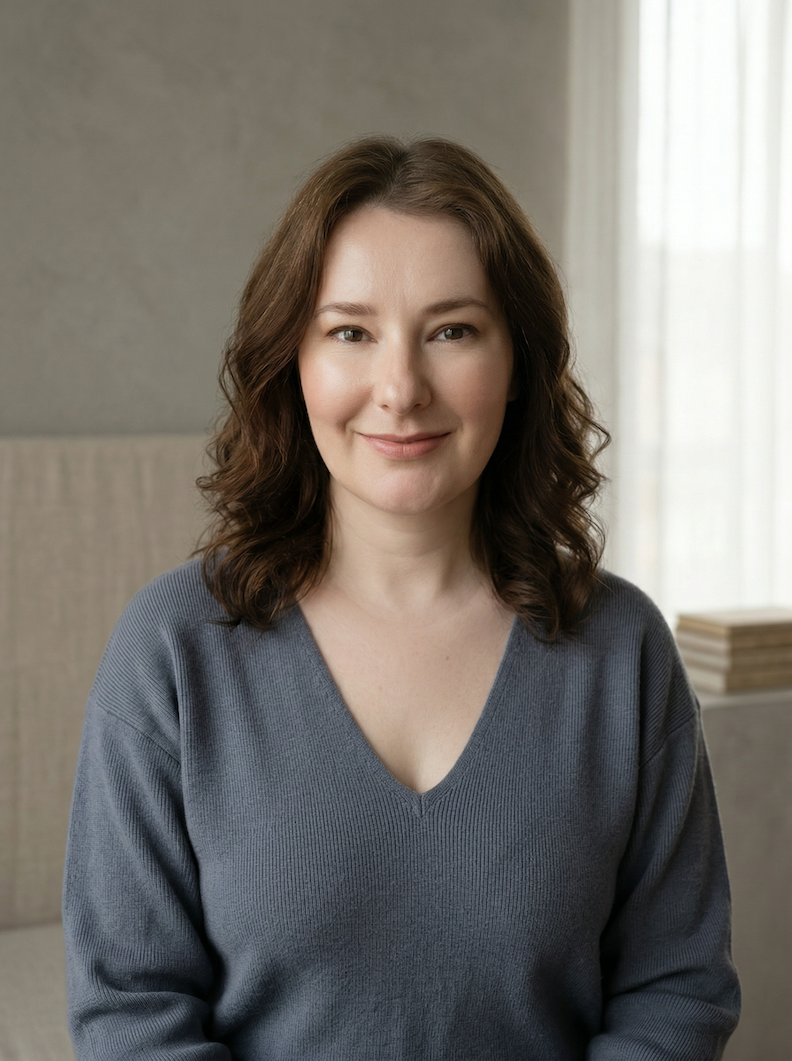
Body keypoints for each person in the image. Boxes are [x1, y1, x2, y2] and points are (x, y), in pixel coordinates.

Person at [63, 136, 740, 1060]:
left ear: (518, 363)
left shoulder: (622, 649)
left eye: (452, 330)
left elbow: (677, 989)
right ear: (291, 360)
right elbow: (130, 1011)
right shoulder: (172, 651)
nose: (400, 388)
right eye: (351, 331)